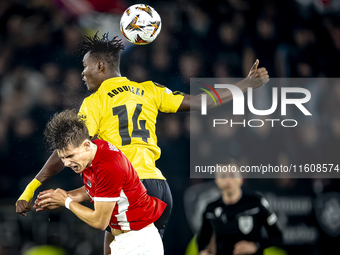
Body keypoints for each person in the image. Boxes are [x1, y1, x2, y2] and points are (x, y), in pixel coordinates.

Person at [16, 32, 269, 254]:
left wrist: (31, 187)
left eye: (85, 66)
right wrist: (246, 83)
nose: (82, 73)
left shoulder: (95, 102)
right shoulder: (149, 89)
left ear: (101, 66)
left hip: (129, 188)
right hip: (159, 187)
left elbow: (69, 149)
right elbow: (202, 102)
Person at [34, 109, 166, 255]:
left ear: (86, 145)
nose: (65, 163)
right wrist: (62, 197)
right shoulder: (94, 152)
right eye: (62, 157)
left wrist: (66, 202)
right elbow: (100, 188)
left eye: (70, 156)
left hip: (139, 242)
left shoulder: (108, 167)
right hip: (125, 240)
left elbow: (99, 221)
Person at [197, 166, 282, 255]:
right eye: (223, 176)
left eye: (232, 175)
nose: (228, 180)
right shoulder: (211, 210)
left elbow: (277, 236)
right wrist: (203, 252)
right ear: (216, 181)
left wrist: (256, 245)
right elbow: (202, 241)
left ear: (240, 179)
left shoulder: (255, 203)